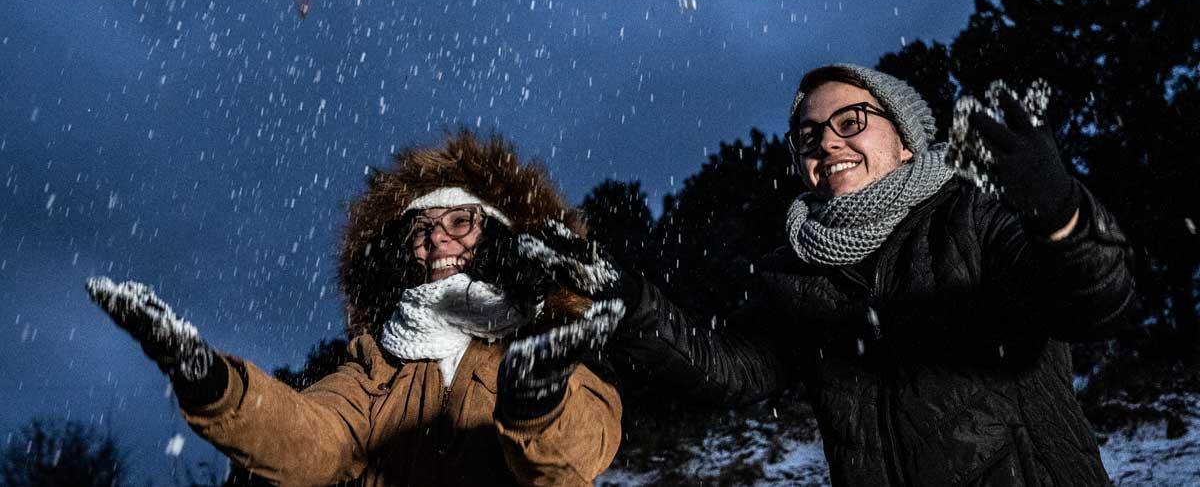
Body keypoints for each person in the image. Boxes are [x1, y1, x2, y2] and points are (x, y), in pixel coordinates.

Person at [522, 64, 1135, 486]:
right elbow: (727, 369)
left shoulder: (973, 219)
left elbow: (1097, 302)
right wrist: (634, 307)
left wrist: (1062, 216)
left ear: (908, 143)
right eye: (808, 135)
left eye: (851, 122)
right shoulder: (800, 275)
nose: (826, 144)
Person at [87, 130, 623, 487]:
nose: (436, 241)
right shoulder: (377, 365)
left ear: (500, 236)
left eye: (460, 221)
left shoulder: (539, 349)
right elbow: (310, 437)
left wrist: (536, 402)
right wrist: (208, 381)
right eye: (422, 230)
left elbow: (587, 446)